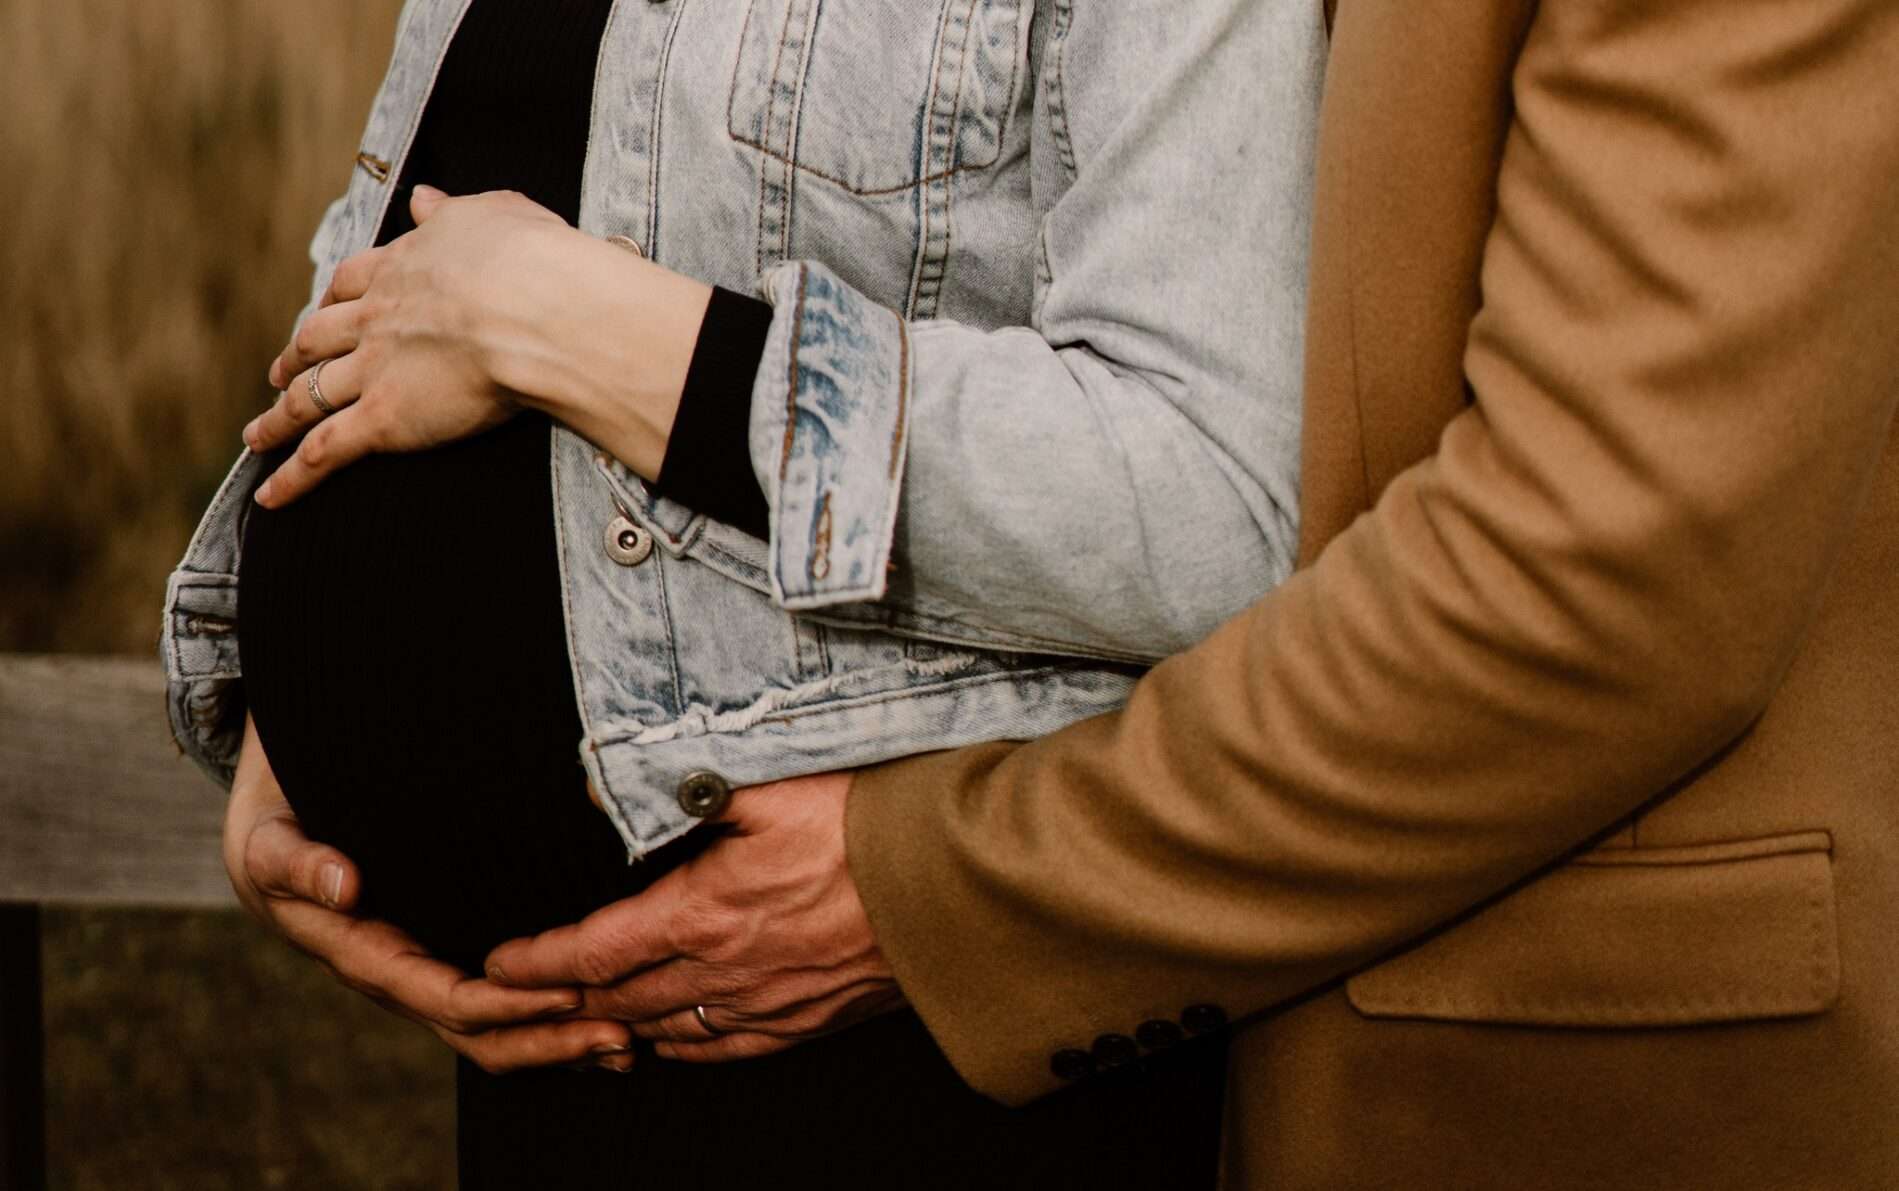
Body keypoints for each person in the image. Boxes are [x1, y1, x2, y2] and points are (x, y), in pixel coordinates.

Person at [230, 0, 1899, 1187]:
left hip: (1466, 1041)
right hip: (612, 1021)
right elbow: (461, 199)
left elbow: (1584, 594)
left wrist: (928, 892)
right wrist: (281, 648)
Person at [162, 0, 1326, 1186]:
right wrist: (286, 694)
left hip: (896, 1057)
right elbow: (417, 244)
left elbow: (1216, 505)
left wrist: (576, 329)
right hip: (545, 1055)